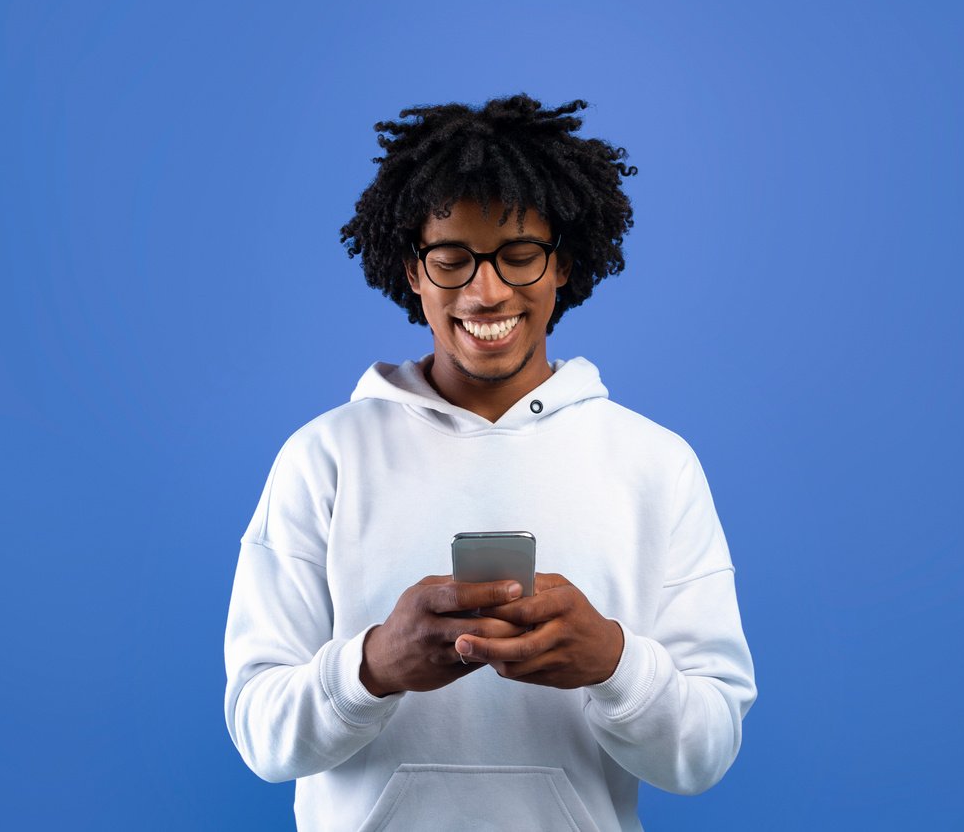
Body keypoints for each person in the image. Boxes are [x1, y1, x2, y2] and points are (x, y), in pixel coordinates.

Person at [223, 94, 757, 832]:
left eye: (519, 255)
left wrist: (613, 661)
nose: (487, 290)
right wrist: (374, 667)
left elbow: (707, 751)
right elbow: (258, 732)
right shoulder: (325, 458)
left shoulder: (654, 464)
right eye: (452, 260)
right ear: (413, 272)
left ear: (562, 263)